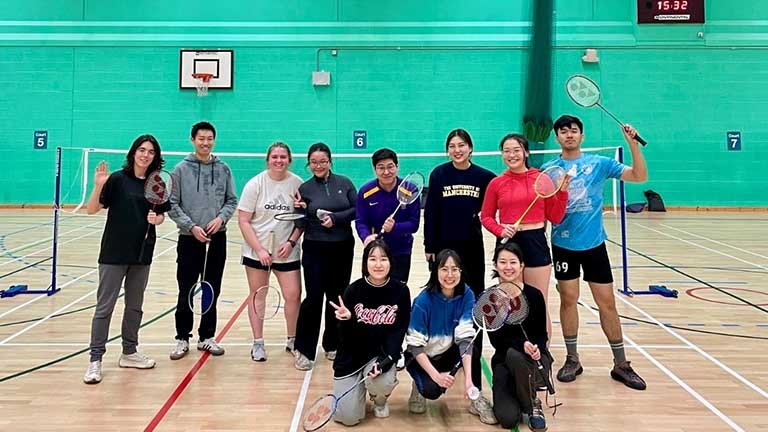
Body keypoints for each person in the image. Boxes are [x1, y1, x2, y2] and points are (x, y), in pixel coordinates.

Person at [542, 115, 648, 390]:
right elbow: (545, 209)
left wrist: (632, 144)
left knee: (607, 303)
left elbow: (639, 176)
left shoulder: (599, 163)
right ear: (557, 137)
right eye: (563, 131)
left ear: (582, 136)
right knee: (568, 300)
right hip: (563, 245)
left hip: (594, 246)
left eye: (573, 130)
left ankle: (621, 364)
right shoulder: (549, 169)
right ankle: (572, 359)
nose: (569, 135)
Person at [83, 134, 170, 384]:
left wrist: (157, 219)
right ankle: (95, 360)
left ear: (155, 157)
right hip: (114, 253)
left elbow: (161, 214)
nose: (145, 155)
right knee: (104, 307)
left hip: (142, 253)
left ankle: (129, 352)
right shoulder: (117, 179)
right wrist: (98, 185)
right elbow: (91, 210)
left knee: (134, 306)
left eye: (151, 152)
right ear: (133, 152)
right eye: (142, 150)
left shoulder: (156, 183)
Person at [423, 128, 496, 394]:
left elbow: (497, 205)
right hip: (443, 251)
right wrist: (429, 246)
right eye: (452, 146)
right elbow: (431, 212)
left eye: (461, 145)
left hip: (472, 252)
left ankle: (472, 373)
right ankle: (438, 362)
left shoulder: (485, 177)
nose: (457, 150)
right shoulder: (439, 174)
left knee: (473, 308)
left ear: (470, 148)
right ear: (447, 150)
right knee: (441, 305)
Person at [480, 133, 568, 338]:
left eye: (516, 150)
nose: (512, 155)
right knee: (507, 300)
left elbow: (555, 216)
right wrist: (500, 230)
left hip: (535, 241)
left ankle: (542, 350)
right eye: (507, 151)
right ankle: (508, 348)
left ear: (526, 152)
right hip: (509, 244)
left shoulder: (541, 179)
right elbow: (486, 216)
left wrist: (562, 192)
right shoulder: (496, 183)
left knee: (538, 301)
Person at [168, 121, 238, 360]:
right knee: (185, 290)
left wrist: (220, 219)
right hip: (190, 239)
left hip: (217, 238)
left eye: (209, 139)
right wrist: (191, 226)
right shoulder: (180, 170)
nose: (205, 143)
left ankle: (207, 336)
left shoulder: (223, 169)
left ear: (214, 141)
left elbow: (231, 200)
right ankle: (182, 337)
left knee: (211, 289)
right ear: (192, 140)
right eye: (201, 138)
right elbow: (172, 204)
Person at [405, 249, 496, 425]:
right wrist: (436, 376)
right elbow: (415, 346)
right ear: (435, 271)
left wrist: (468, 381)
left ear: (461, 271)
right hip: (422, 356)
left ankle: (475, 396)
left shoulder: (467, 295)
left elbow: (465, 339)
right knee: (432, 390)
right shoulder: (423, 301)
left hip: (448, 351)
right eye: (444, 269)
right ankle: (418, 384)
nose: (450, 275)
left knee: (473, 349)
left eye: (454, 269)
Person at [328, 240, 411, 425]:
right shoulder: (353, 290)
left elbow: (398, 333)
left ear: (391, 262)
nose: (378, 264)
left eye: (383, 259)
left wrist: (384, 362)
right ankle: (355, 392)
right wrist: (348, 319)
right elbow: (344, 340)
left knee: (382, 382)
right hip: (351, 357)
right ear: (365, 262)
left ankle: (379, 400)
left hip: (378, 356)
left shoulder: (401, 291)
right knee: (348, 418)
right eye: (373, 259)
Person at [293, 143, 357, 370]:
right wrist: (299, 209)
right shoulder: (305, 188)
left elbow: (356, 209)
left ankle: (333, 344)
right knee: (313, 298)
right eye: (313, 162)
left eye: (322, 161)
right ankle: (304, 350)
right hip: (314, 248)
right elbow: (301, 221)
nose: (318, 166)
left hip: (342, 247)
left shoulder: (345, 183)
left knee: (337, 297)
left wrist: (336, 219)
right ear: (308, 164)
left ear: (330, 161)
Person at [237, 141, 303, 361]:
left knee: (293, 295)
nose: (279, 160)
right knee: (258, 296)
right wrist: (259, 249)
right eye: (275, 157)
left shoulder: (297, 184)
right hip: (258, 252)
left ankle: (292, 340)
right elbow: (244, 220)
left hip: (286, 252)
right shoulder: (255, 184)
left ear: (289, 160)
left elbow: (301, 220)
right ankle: (258, 343)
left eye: (283, 157)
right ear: (268, 160)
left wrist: (291, 242)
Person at [487, 242, 552, 432]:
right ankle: (523, 395)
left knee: (519, 358)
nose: (508, 267)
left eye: (513, 262)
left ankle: (532, 406)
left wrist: (537, 348)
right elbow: (496, 341)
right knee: (508, 420)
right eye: (503, 262)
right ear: (496, 265)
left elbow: (541, 334)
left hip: (533, 360)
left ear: (522, 265)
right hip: (504, 361)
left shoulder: (534, 295)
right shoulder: (491, 298)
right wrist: (521, 344)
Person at [355, 148, 420, 284]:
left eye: (390, 167)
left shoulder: (409, 190)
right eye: (381, 168)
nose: (386, 172)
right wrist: (366, 237)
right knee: (372, 290)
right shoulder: (366, 192)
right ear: (375, 169)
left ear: (397, 166)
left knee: (398, 290)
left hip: (401, 251)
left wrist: (395, 227)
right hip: (375, 252)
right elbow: (361, 221)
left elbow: (414, 224)